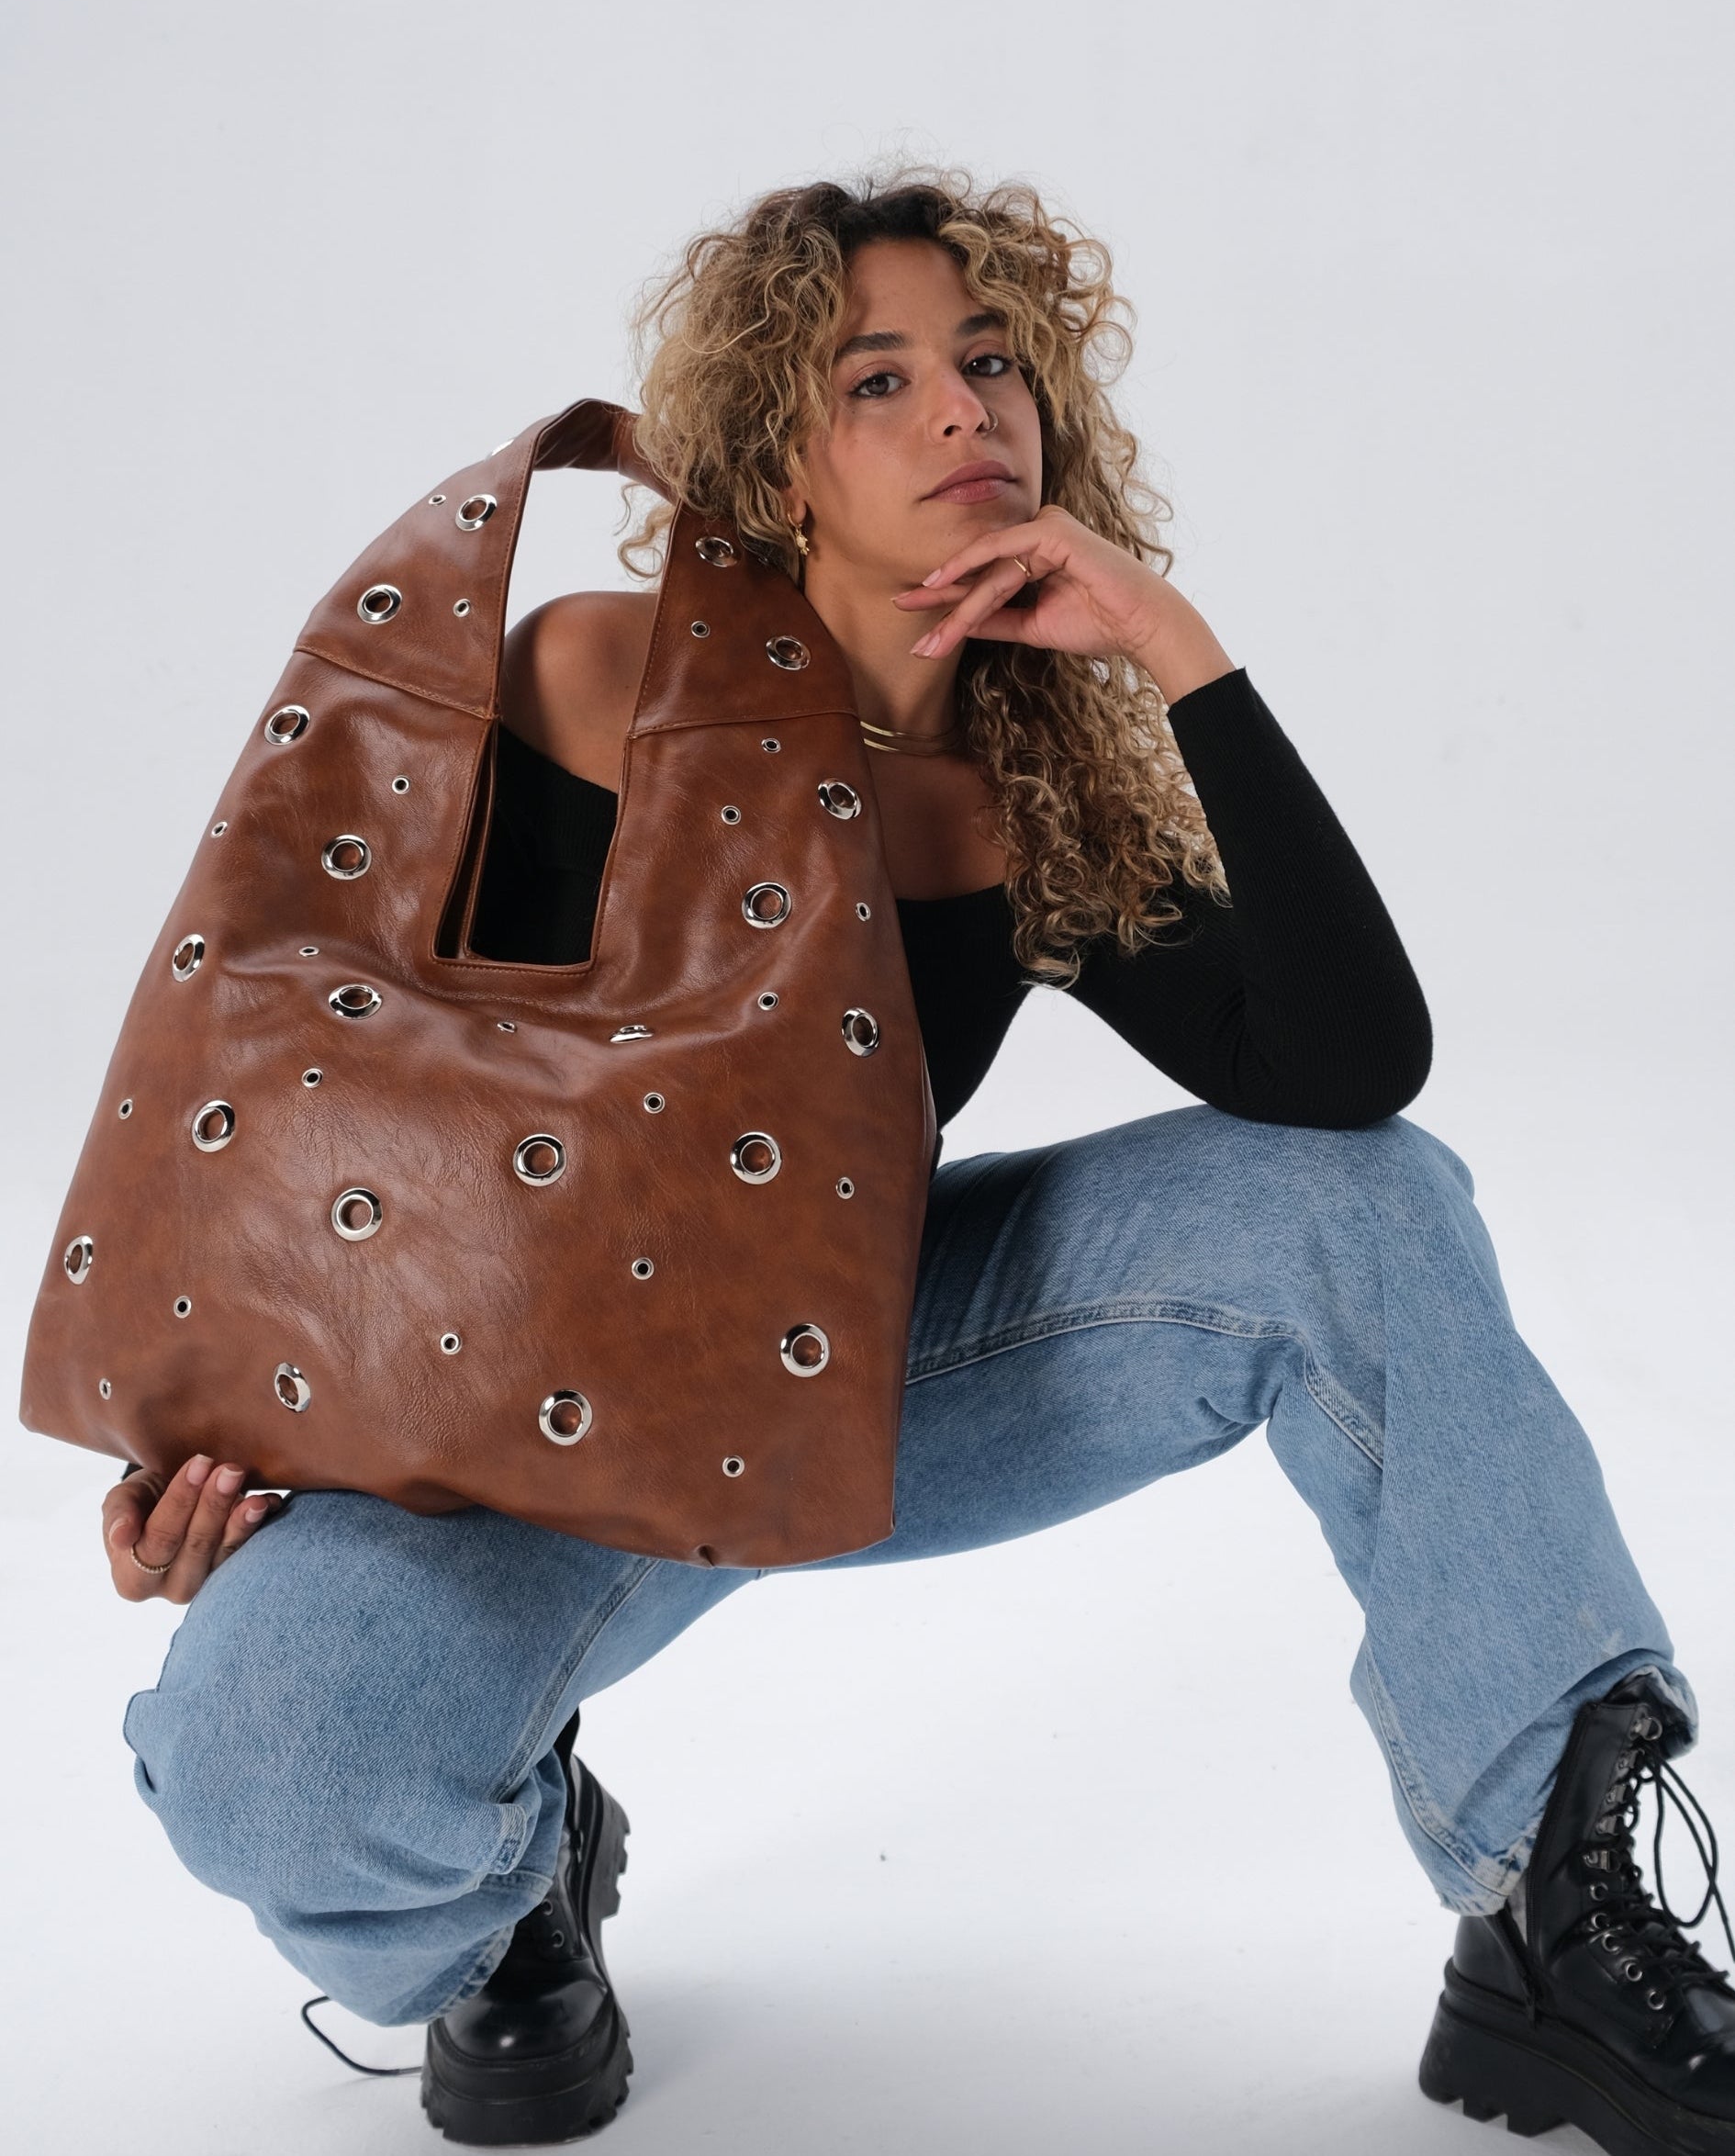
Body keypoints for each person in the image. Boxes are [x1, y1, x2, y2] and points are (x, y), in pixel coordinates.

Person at [102, 167, 1733, 2153]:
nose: (963, 408)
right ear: (773, 461)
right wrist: (228, 1424)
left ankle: (1549, 1903)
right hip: (507, 1426)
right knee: (264, 1760)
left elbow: (1345, 1069)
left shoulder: (1016, 799)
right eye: (876, 380)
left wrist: (1177, 653)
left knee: (1361, 1208)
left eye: (991, 363)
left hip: (842, 1373)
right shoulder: (590, 680)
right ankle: (514, 1880)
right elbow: (330, 1073)